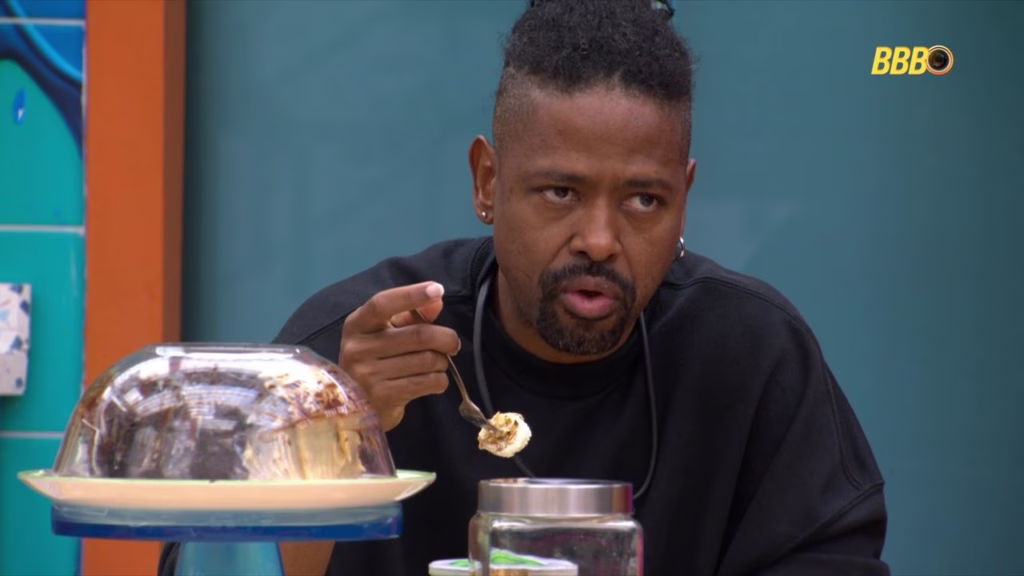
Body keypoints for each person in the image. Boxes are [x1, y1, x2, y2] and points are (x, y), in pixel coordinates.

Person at [160, 0, 890, 574]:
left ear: (684, 197)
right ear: (488, 181)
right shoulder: (356, 357)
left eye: (644, 200)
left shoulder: (750, 356)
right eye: (560, 192)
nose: (599, 239)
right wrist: (328, 444)